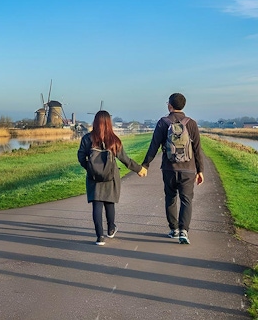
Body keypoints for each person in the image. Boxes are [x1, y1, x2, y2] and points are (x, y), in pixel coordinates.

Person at [141, 93, 204, 245]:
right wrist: (200, 170)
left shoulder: (163, 122)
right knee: (186, 200)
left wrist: (145, 165)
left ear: (169, 105)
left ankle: (173, 229)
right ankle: (184, 230)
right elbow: (197, 149)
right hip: (188, 169)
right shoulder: (192, 124)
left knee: (170, 198)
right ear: (183, 106)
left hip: (169, 168)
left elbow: (154, 146)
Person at [78, 110, 146, 246]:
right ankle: (111, 229)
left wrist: (90, 168)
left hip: (93, 177)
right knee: (109, 203)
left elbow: (80, 156)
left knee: (96, 205)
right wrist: (139, 169)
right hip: (111, 176)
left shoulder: (87, 138)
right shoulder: (114, 140)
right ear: (109, 123)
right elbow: (125, 159)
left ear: (95, 122)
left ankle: (100, 237)